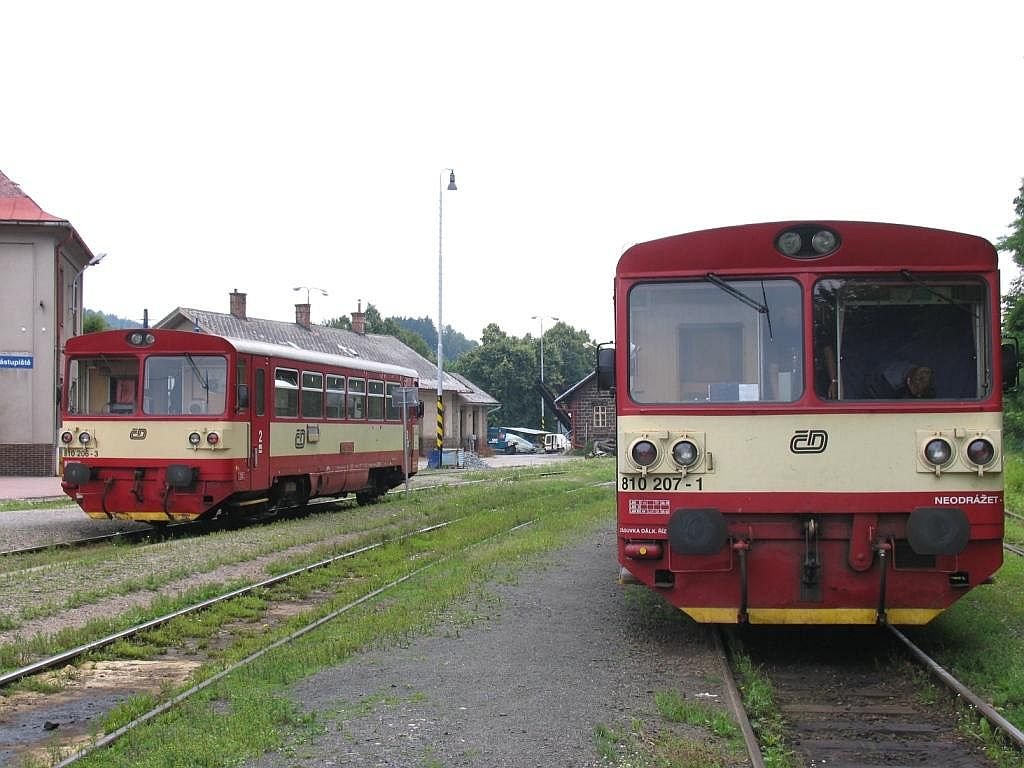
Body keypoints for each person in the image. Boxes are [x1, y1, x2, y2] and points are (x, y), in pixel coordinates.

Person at [864, 361, 935, 399]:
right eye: (916, 392)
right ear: (908, 381)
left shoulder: (919, 371)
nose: (919, 396)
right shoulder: (889, 385)